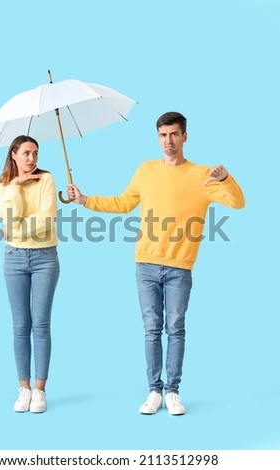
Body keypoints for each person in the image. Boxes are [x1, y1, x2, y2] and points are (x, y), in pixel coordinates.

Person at [67, 112, 245, 416]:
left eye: (174, 134)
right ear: (158, 137)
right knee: (151, 329)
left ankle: (173, 391)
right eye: (163, 135)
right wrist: (85, 200)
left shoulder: (202, 175)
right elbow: (123, 203)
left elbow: (237, 202)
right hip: (145, 264)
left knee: (175, 328)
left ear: (185, 136)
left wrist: (226, 178)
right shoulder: (146, 170)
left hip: (179, 266)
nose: (168, 141)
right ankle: (154, 391)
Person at [0, 135, 59, 413]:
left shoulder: (47, 180)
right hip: (14, 259)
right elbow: (8, 218)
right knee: (20, 325)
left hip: (45, 257)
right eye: (26, 154)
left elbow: (47, 221)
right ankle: (24, 389)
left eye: (35, 153)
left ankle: (40, 390)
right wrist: (17, 186)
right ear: (14, 155)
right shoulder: (1, 186)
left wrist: (15, 229)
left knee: (41, 324)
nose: (32, 159)